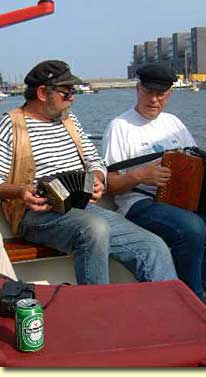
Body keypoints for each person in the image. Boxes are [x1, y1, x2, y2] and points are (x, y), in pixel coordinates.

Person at [0, 60, 177, 285]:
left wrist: (98, 178)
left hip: (83, 208)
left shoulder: (70, 120)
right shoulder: (11, 125)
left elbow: (95, 160)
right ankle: (97, 310)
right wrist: (21, 191)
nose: (72, 97)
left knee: (153, 247)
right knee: (94, 229)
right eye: (67, 92)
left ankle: (166, 315)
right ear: (43, 92)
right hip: (37, 215)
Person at [102, 63, 206, 299]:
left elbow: (197, 161)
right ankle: (193, 298)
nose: (154, 99)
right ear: (137, 89)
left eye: (160, 93)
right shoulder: (119, 127)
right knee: (192, 228)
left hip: (179, 200)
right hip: (138, 203)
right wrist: (141, 175)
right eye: (148, 92)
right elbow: (110, 185)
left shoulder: (174, 123)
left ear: (169, 94)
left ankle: (195, 292)